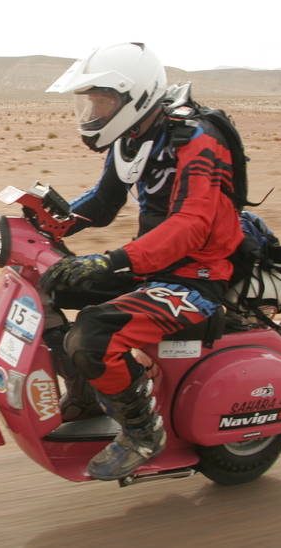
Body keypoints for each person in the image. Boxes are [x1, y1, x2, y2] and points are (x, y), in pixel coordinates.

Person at [39, 42, 244, 480]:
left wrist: (113, 262)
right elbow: (103, 202)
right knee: (49, 286)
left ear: (136, 96)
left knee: (91, 334)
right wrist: (50, 223)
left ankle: (142, 431)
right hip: (151, 266)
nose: (93, 112)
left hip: (194, 278)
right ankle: (86, 395)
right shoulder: (133, 137)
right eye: (90, 102)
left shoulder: (198, 139)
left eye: (102, 102)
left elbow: (192, 225)